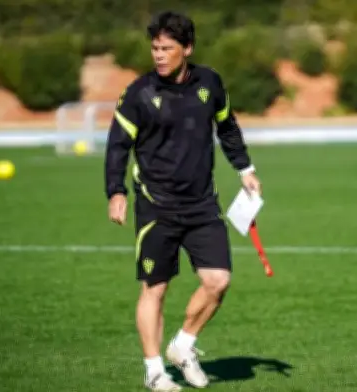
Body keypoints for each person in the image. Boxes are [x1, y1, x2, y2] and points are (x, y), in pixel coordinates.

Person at [103, 11, 261, 391]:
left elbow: (227, 127)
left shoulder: (210, 83)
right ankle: (154, 370)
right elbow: (117, 145)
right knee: (155, 288)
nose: (158, 55)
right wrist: (116, 191)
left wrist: (245, 169)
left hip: (203, 204)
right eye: (155, 48)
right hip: (156, 205)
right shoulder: (139, 93)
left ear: (186, 49)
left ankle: (183, 345)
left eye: (167, 48)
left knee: (218, 281)